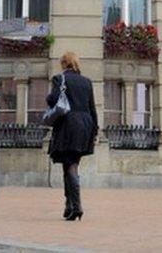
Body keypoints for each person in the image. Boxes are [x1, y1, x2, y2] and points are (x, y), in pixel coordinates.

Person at [47, 51, 98, 221]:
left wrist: (50, 97)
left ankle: (77, 206)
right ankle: (69, 206)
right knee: (71, 163)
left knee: (70, 166)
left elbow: (53, 99)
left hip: (68, 124)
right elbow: (92, 108)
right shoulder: (86, 82)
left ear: (64, 63)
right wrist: (95, 131)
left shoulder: (59, 79)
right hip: (85, 125)